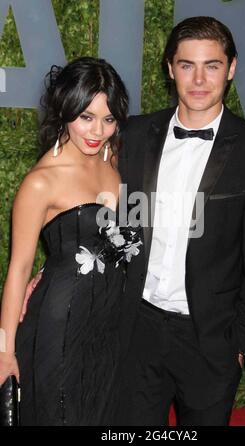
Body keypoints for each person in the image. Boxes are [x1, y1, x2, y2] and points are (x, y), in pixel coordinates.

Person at [114, 16, 245, 426]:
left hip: (210, 340)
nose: (199, 79)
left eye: (211, 65)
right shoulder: (133, 135)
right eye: (187, 64)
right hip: (138, 327)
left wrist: (241, 344)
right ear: (171, 68)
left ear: (231, 68)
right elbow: (111, 220)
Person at [0, 57, 142, 426]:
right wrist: (4, 351)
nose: (97, 130)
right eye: (86, 117)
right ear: (64, 109)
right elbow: (17, 271)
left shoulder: (111, 156)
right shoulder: (41, 182)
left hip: (109, 325)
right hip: (61, 325)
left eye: (108, 119)